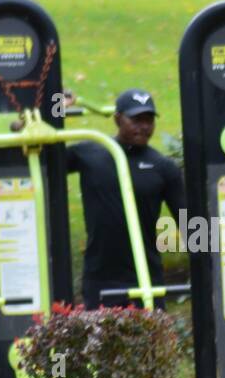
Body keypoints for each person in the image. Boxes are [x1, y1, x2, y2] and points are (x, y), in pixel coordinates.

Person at [66, 88, 187, 310]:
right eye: (136, 119)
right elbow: (45, 154)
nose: (144, 126)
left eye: (149, 120)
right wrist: (56, 106)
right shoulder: (91, 154)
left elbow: (190, 224)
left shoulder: (163, 167)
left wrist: (220, 264)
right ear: (117, 119)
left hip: (146, 278)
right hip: (100, 279)